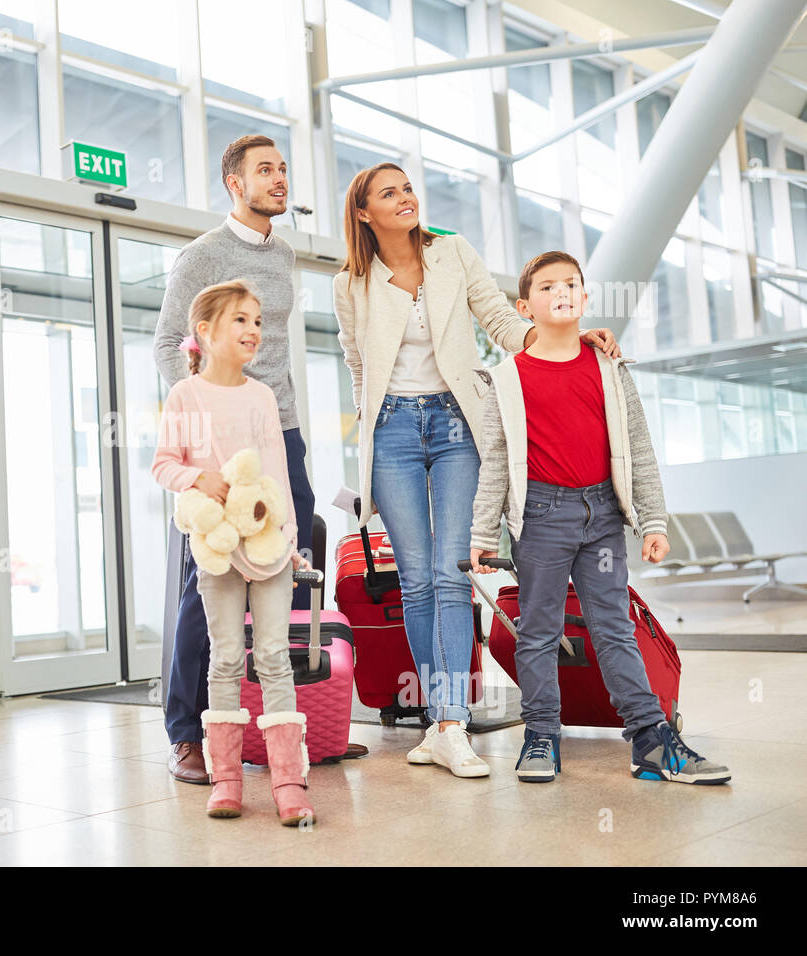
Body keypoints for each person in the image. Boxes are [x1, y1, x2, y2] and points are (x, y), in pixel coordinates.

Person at [333, 163, 620, 778]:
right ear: (364, 213)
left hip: (458, 422)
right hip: (391, 435)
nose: (406, 199)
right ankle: (439, 724)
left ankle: (451, 722)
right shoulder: (350, 283)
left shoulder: (454, 253)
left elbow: (504, 324)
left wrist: (565, 333)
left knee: (451, 571)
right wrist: (368, 438)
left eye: (407, 187)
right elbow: (358, 367)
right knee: (413, 580)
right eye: (389, 194)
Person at [468, 251, 731, 786]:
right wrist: (479, 533)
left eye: (571, 283)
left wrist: (654, 521)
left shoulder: (610, 366)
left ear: (584, 298)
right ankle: (541, 735)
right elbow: (495, 457)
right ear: (525, 306)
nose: (561, 291)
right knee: (537, 632)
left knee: (615, 629)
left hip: (604, 514)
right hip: (541, 515)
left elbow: (638, 447)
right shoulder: (509, 377)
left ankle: (651, 743)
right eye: (547, 286)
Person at [154, 134, 339, 785]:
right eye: (266, 170)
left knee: (282, 568)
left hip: (281, 434)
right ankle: (185, 732)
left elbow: (274, 349)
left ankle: (270, 728)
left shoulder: (284, 253)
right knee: (203, 583)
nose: (279, 180)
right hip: (219, 446)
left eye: (283, 170)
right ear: (235, 182)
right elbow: (167, 345)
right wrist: (204, 426)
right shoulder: (202, 256)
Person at [152, 280, 316, 824]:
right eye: (241, 320)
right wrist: (201, 477)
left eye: (258, 321)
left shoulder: (261, 396)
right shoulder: (185, 396)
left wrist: (290, 540)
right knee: (224, 658)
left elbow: (276, 473)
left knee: (272, 656)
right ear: (204, 331)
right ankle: (225, 781)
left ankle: (289, 782)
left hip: (268, 548)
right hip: (216, 549)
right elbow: (163, 465)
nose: (253, 331)